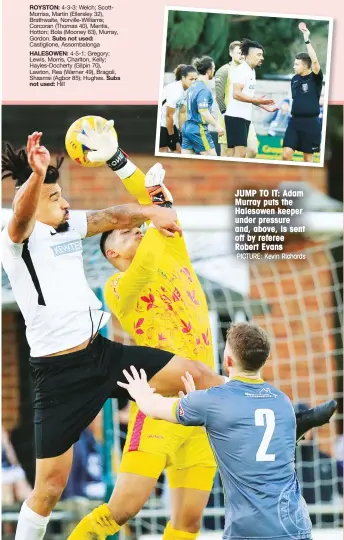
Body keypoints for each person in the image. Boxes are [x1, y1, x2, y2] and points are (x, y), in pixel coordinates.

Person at [68, 152, 337, 538]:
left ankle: (289, 417)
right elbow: (158, 212)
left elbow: (160, 214)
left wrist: (121, 163)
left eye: (139, 229)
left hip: (203, 408)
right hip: (162, 406)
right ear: (113, 253)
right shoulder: (117, 287)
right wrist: (147, 192)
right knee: (122, 510)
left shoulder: (170, 248)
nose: (139, 231)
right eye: (128, 232)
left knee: (189, 521)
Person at [1, 125, 226, 540]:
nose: (65, 202)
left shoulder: (69, 228)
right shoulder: (15, 241)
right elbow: (19, 215)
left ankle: (278, 414)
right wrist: (36, 176)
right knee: (49, 488)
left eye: (61, 193)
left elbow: (115, 215)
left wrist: (149, 210)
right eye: (55, 198)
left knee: (205, 376)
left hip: (101, 355)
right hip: (58, 375)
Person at [118, 322, 338, 540]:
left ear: (227, 360)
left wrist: (140, 390)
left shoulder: (215, 400)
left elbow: (154, 408)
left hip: (250, 530)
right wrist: (195, 404)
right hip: (295, 524)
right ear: (265, 360)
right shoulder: (281, 400)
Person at [224, 38, 278, 158]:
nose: (262, 58)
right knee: (240, 154)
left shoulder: (251, 71)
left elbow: (248, 96)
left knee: (238, 154)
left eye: (262, 55)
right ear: (248, 55)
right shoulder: (242, 70)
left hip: (244, 117)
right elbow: (236, 94)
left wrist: (263, 105)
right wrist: (257, 100)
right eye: (259, 55)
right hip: (235, 117)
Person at [283, 25, 323, 162]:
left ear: (305, 66)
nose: (294, 67)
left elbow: (315, 62)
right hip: (294, 122)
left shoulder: (315, 78)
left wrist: (306, 40)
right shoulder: (294, 79)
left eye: (296, 64)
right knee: (286, 155)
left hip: (311, 123)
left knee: (308, 160)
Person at [215, 40, 259, 158]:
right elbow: (219, 96)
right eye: (239, 52)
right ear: (231, 54)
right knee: (227, 154)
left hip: (244, 118)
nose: (242, 55)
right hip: (228, 118)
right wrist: (224, 115)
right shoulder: (224, 70)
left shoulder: (249, 70)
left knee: (253, 150)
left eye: (243, 53)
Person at [181, 56, 224, 156]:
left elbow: (195, 108)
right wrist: (217, 125)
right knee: (213, 160)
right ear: (209, 71)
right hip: (198, 129)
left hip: (187, 127)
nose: (214, 70)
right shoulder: (204, 89)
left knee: (186, 162)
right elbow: (203, 111)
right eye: (213, 68)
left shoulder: (192, 86)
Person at [159, 64, 198, 153]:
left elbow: (182, 112)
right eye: (191, 79)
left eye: (195, 79)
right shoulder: (175, 91)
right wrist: (172, 137)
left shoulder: (188, 90)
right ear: (183, 78)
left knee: (178, 150)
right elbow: (168, 115)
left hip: (171, 124)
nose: (194, 82)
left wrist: (182, 133)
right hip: (161, 123)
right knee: (163, 151)